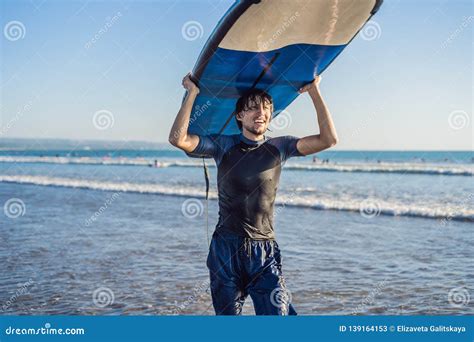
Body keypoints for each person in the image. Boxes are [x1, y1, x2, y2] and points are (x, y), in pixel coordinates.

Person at [168, 72, 338, 315]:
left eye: (267, 108)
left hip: (264, 252)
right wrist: (192, 94)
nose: (261, 113)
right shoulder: (222, 145)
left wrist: (314, 91)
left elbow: (329, 140)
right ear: (239, 115)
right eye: (253, 108)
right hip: (226, 251)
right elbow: (178, 139)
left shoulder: (280, 147)